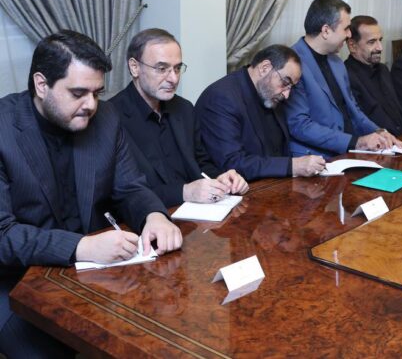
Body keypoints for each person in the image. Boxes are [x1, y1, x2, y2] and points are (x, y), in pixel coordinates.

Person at [0, 30, 182, 358]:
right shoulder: (4, 128)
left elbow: (130, 186)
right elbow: (3, 235)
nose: (91, 105)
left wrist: (154, 215)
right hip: (15, 280)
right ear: (41, 85)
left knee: (159, 325)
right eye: (78, 93)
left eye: (97, 93)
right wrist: (81, 247)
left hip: (92, 273)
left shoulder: (106, 118)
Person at [111, 28, 248, 208]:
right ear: (134, 67)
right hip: (147, 218)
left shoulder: (184, 109)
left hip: (198, 214)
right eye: (162, 69)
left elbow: (201, 164)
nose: (174, 79)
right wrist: (184, 192)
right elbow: (120, 193)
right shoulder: (111, 117)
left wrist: (221, 179)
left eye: (177, 68)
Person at [286, 0, 402, 157]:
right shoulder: (291, 63)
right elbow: (300, 126)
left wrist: (379, 131)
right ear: (326, 31)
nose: (349, 35)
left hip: (349, 150)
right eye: (346, 29)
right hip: (314, 157)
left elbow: (353, 111)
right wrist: (356, 142)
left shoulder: (336, 63)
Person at [196, 45, 326, 178]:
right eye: (285, 83)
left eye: (291, 87)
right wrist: (292, 166)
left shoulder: (269, 93)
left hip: (275, 183)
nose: (287, 95)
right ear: (264, 68)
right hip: (237, 187)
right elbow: (232, 163)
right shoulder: (221, 97)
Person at [344, 15, 402, 136]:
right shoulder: (346, 76)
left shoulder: (383, 69)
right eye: (371, 42)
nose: (380, 47)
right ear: (352, 46)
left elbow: (398, 111)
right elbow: (360, 124)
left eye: (380, 40)